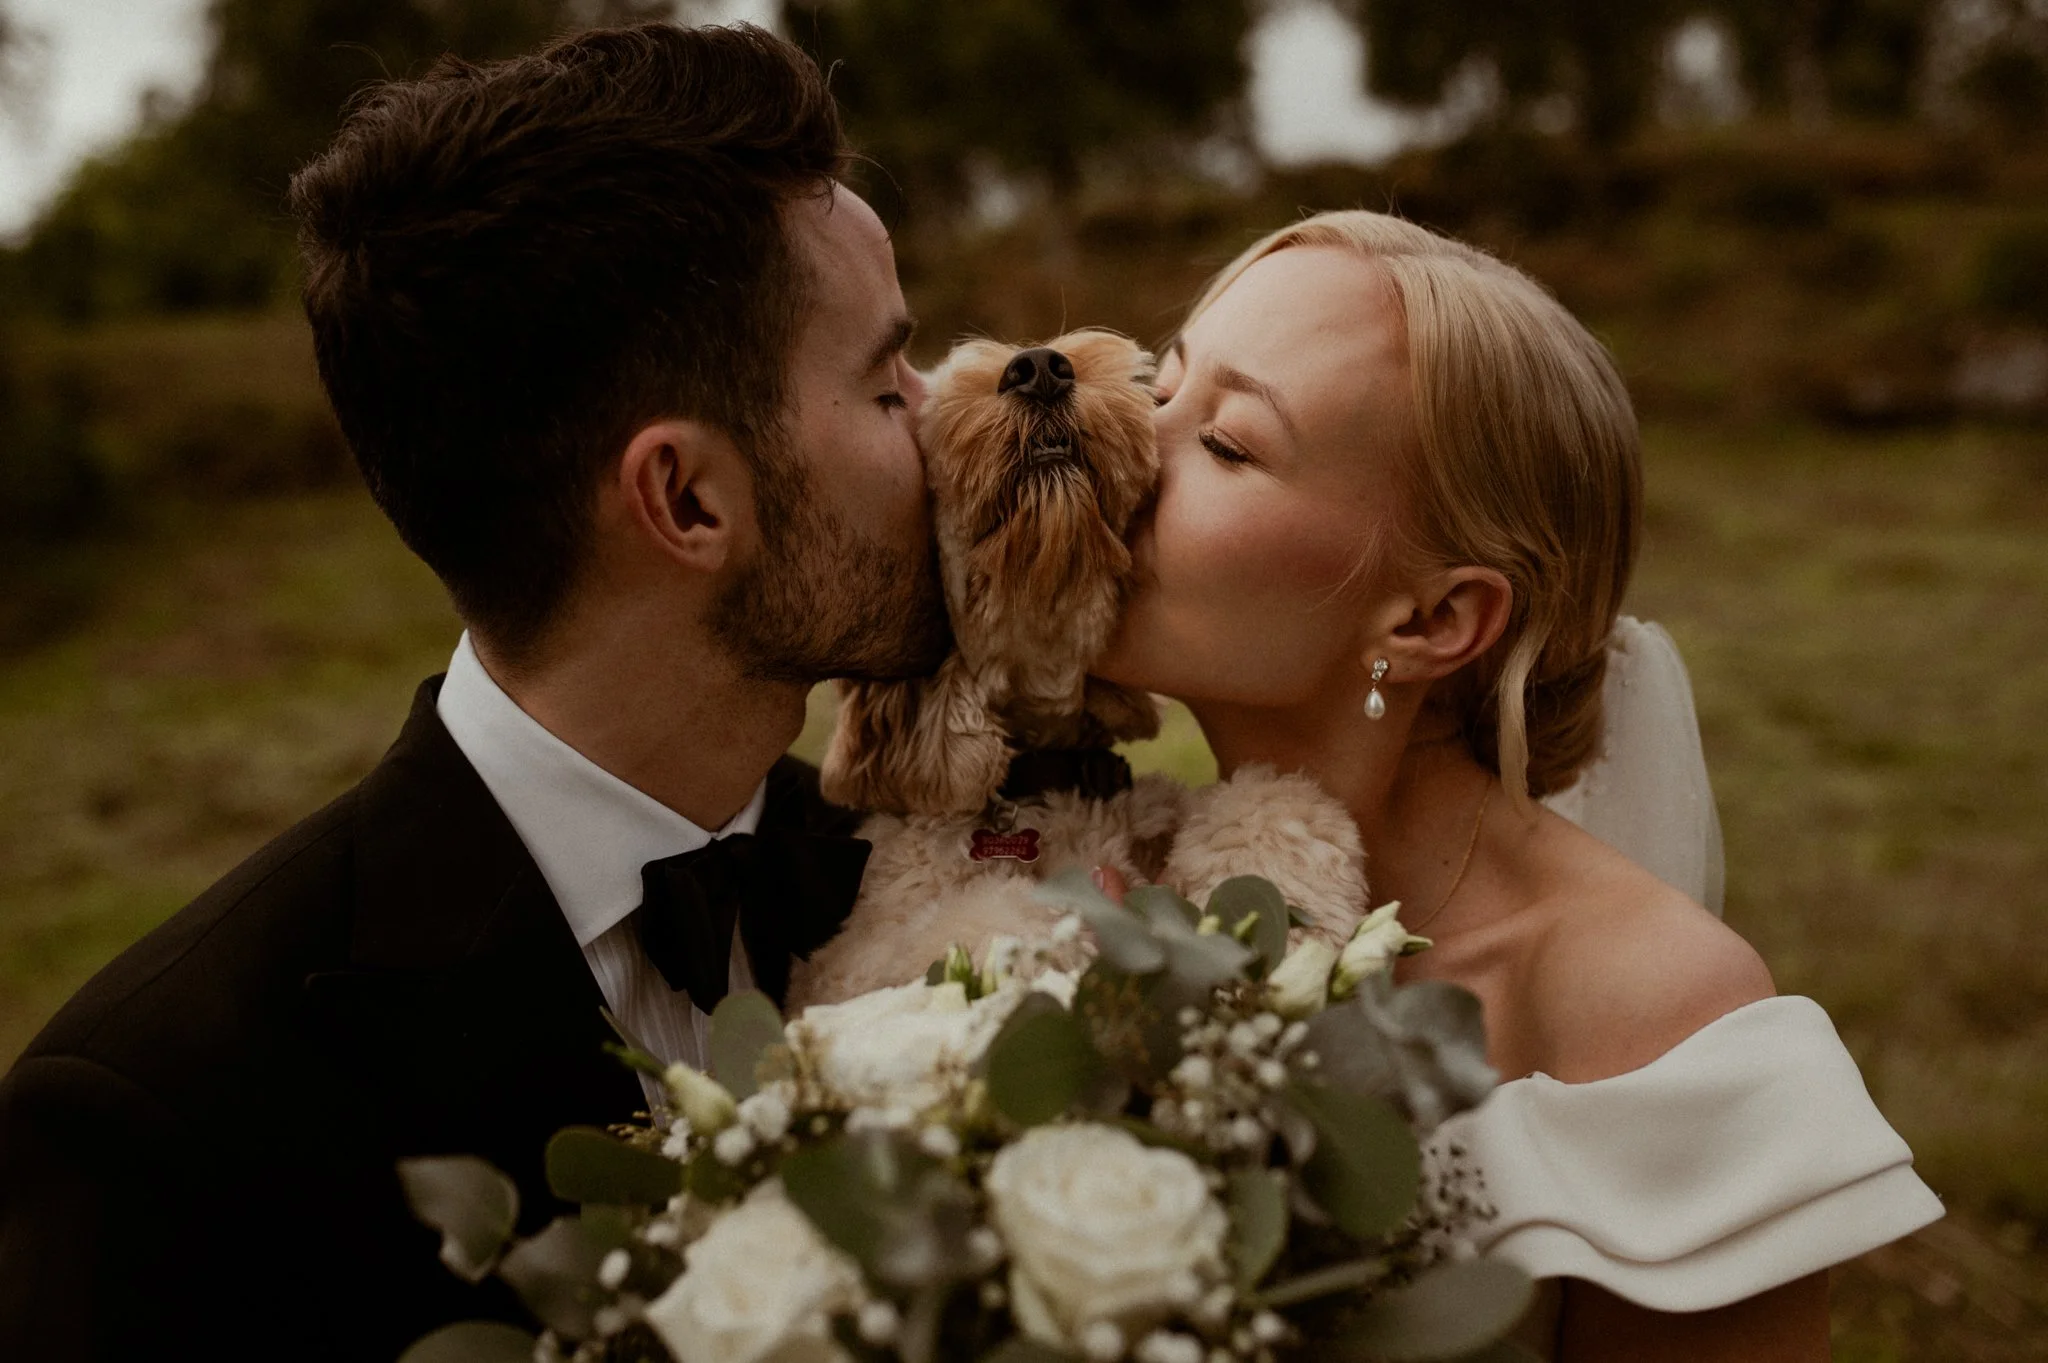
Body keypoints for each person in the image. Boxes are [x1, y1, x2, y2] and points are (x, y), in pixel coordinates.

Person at [0, 23, 946, 1360]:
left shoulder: (924, 879)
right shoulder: (161, 1115)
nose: (946, 415)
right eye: (887, 382)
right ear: (684, 497)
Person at [1092, 210, 1943, 1362]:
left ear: (1433, 618)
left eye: (1229, 443)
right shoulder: (1078, 881)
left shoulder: (1650, 1014)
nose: (1124, 452)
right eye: (1161, 390)